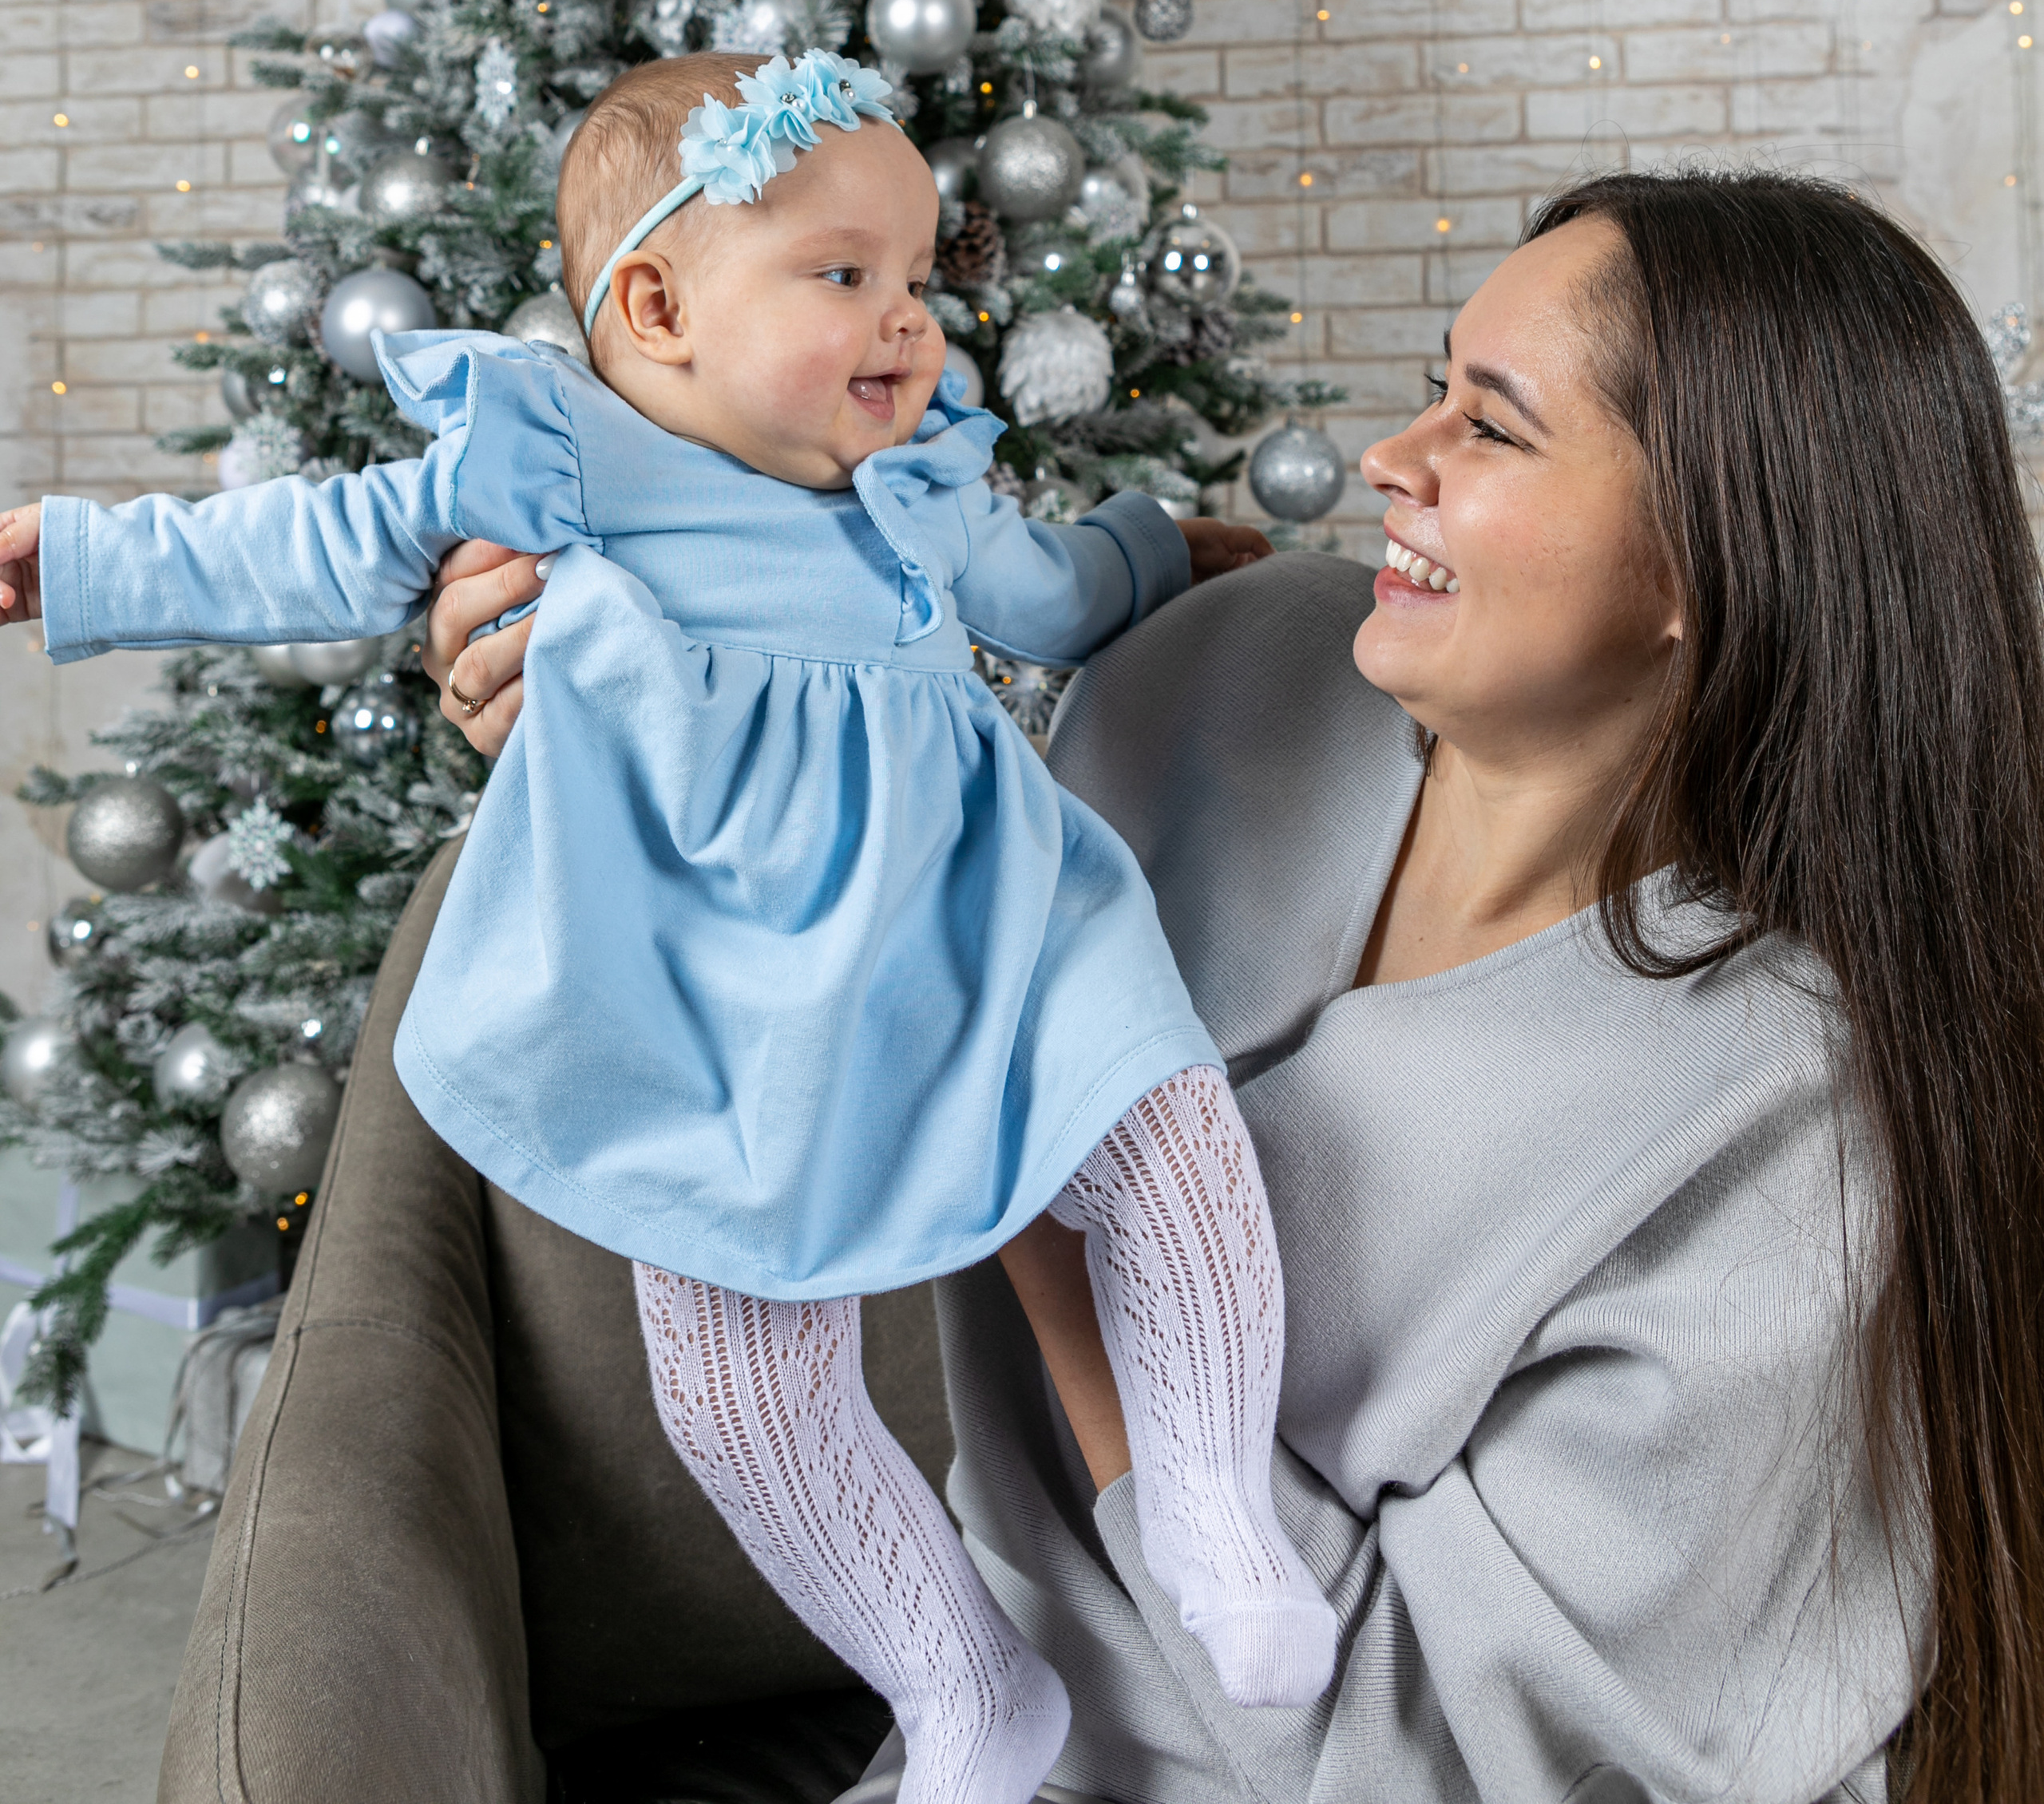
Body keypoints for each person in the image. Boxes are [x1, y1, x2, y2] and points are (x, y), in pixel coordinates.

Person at [423, 167, 2044, 1804]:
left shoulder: (1783, 1136)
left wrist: (1066, 1198)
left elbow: (1420, 1763)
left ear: (1710, 553)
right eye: (1430, 387)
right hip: (989, 1748)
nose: (1384, 461)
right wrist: (629, 743)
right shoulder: (1226, 674)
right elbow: (848, 796)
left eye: (1485, 428)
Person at [0, 48, 1339, 1804]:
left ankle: (1215, 1515)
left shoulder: (921, 477)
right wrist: (81, 563)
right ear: (652, 306)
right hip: (720, 985)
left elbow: (1053, 596)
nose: (909, 323)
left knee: (1163, 1135)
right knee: (736, 1394)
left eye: (921, 281)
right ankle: (954, 1680)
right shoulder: (559, 460)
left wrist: (1172, 550)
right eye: (845, 276)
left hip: (982, 916)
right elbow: (313, 541)